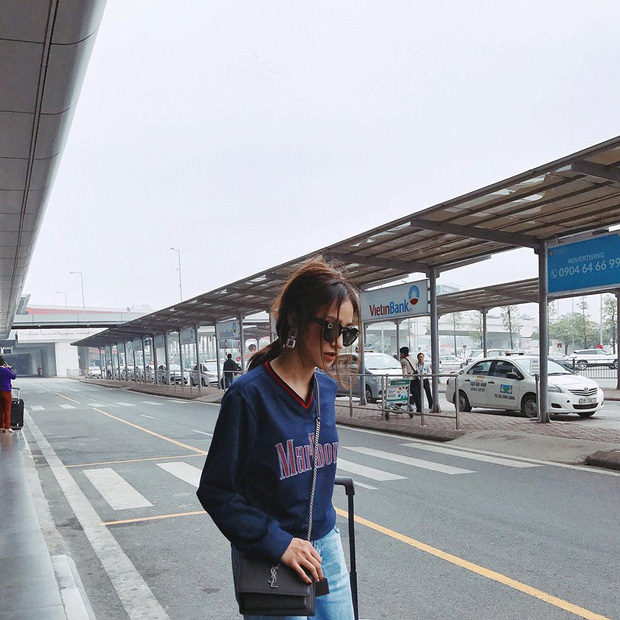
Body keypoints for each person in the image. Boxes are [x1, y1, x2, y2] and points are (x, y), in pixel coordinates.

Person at [197, 258, 360, 619]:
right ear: (296, 320)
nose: (337, 343)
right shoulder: (248, 396)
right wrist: (278, 543)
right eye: (329, 328)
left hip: (326, 548)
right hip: (272, 554)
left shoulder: (326, 390)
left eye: (347, 332)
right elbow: (216, 491)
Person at [399, 346, 419, 412]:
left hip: (408, 380)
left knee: (401, 393)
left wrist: (404, 379)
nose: (400, 355)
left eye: (400, 353)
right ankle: (419, 409)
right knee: (416, 395)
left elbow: (404, 371)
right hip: (415, 378)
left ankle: (397, 407)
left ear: (403, 353)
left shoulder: (403, 360)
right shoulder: (412, 358)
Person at [0, 356, 16, 434]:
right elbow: (13, 376)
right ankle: (8, 427)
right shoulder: (5, 370)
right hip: (6, 391)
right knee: (7, 409)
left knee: (0, 409)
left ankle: (1, 426)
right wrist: (8, 368)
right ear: (3, 363)